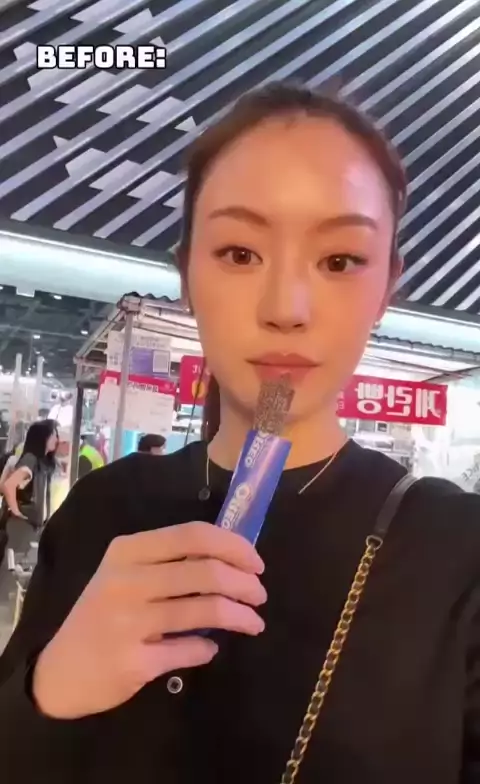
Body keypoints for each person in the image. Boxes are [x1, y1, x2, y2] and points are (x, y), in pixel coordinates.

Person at [0, 83, 479, 784]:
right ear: (187, 274)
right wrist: (47, 691)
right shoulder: (102, 510)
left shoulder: (458, 549)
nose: (286, 307)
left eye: (340, 261)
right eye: (239, 253)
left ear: (386, 288)